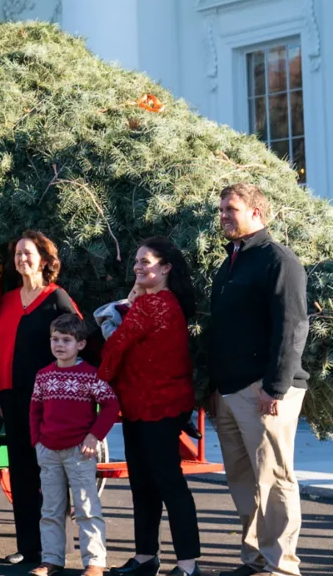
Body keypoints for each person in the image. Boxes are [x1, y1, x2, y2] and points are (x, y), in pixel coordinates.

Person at [209, 184, 309, 576]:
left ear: (256, 211)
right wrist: (215, 389)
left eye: (231, 209)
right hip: (230, 390)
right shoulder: (230, 262)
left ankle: (282, 565)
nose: (223, 216)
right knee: (243, 480)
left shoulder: (278, 260)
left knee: (274, 478)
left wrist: (275, 388)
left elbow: (292, 327)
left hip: (264, 390)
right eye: (220, 210)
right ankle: (254, 559)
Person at [100, 237, 205, 576]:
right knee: (145, 484)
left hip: (156, 406)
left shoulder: (154, 304)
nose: (138, 267)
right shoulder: (157, 302)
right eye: (136, 261)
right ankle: (146, 557)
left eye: (146, 262)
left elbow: (115, 345)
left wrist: (96, 386)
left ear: (165, 268)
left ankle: (187, 565)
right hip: (142, 404)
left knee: (166, 484)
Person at [0, 230, 81, 565]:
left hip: (48, 402)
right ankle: (29, 547)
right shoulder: (8, 300)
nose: (21, 259)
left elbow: (77, 343)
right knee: (22, 475)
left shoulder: (57, 299)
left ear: (44, 260)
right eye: (17, 254)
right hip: (12, 399)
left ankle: (53, 549)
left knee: (51, 476)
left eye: (28, 253)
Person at [29, 313, 119, 576]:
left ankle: (95, 562)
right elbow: (35, 409)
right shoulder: (44, 375)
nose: (59, 345)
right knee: (51, 509)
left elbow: (111, 405)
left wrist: (94, 436)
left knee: (87, 507)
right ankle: (51, 559)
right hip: (48, 450)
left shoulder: (91, 375)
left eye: (66, 340)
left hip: (80, 451)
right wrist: (37, 441)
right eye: (55, 339)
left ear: (80, 344)